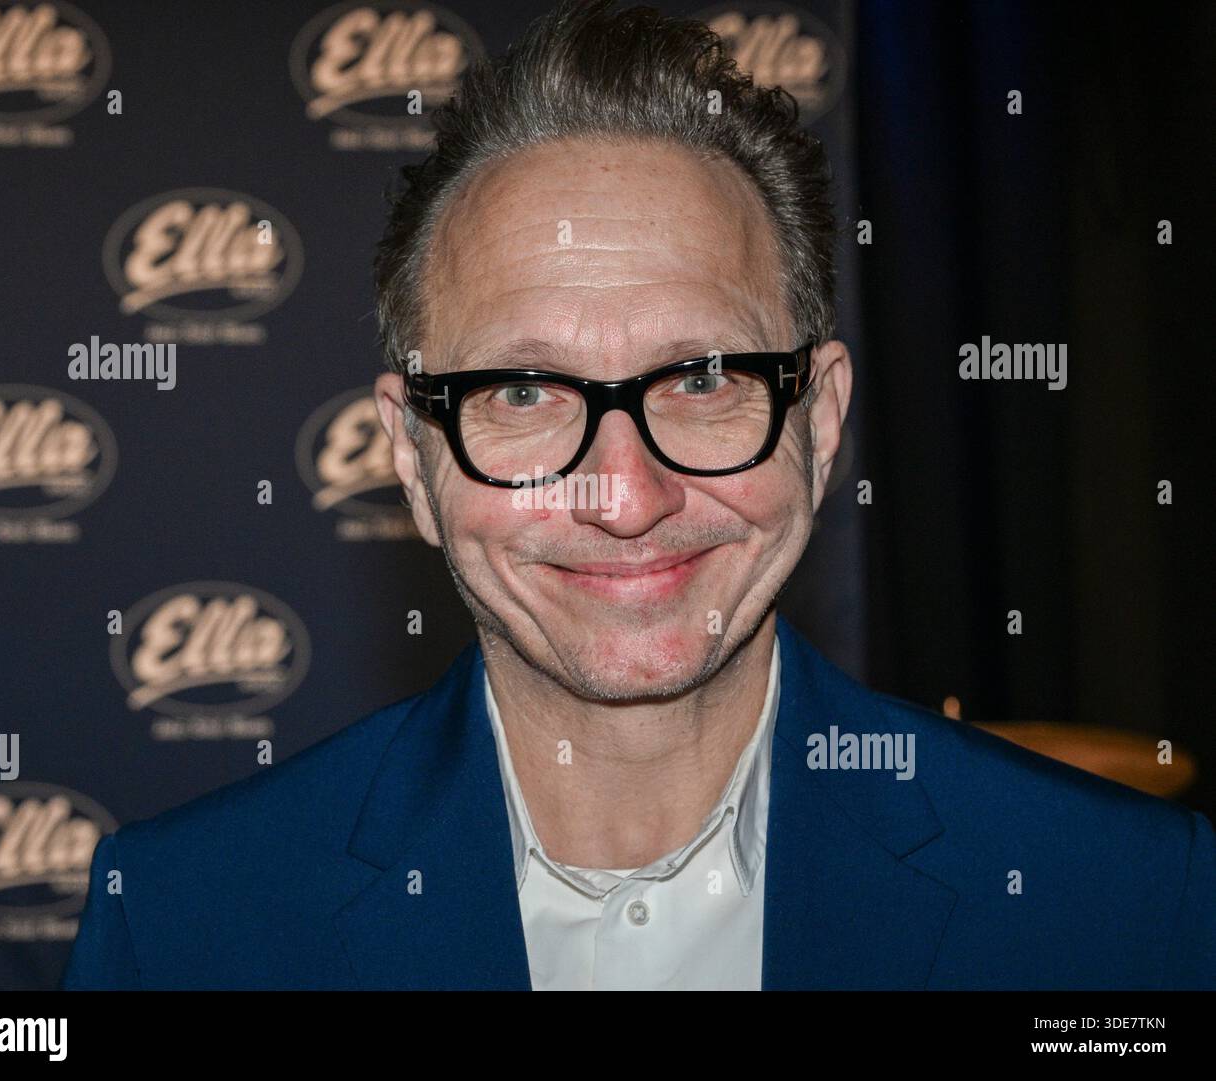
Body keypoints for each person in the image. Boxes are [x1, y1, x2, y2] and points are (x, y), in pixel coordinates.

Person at [62, 0, 1215, 991]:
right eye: (522, 388)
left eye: (703, 377)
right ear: (412, 459)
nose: (625, 493)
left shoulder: (1122, 904)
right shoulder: (178, 925)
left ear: (816, 421)